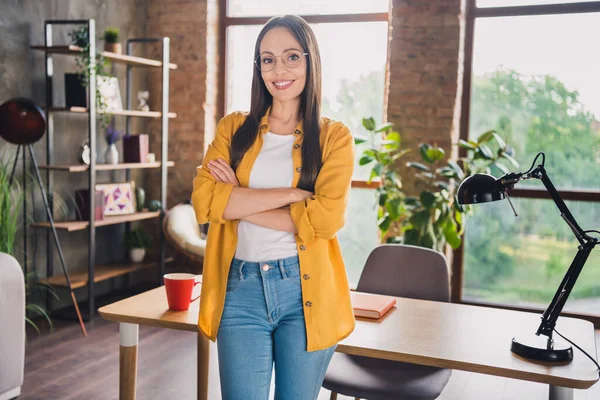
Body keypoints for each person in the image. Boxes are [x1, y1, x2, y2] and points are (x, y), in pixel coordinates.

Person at [191, 14, 356, 400]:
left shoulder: (334, 138)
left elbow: (326, 220)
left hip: (304, 292)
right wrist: (293, 195)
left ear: (309, 61)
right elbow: (203, 201)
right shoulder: (233, 129)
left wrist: (234, 201)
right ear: (258, 67)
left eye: (290, 57)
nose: (278, 69)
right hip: (240, 290)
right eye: (267, 59)